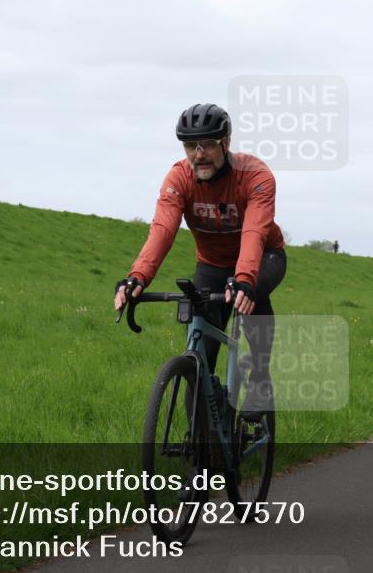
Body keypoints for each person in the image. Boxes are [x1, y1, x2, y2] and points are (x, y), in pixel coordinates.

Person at [114, 103, 286, 421]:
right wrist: (137, 276)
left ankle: (260, 379)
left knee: (255, 292)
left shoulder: (255, 176)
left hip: (263, 257)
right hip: (212, 264)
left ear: (226, 143)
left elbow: (253, 232)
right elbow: (163, 229)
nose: (198, 154)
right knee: (199, 358)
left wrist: (246, 278)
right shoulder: (179, 178)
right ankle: (201, 452)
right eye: (190, 146)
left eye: (207, 144)